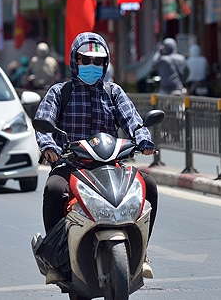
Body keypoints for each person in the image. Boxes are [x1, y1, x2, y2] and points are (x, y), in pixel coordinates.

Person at [34, 32, 158, 283]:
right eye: (85, 60)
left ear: (105, 63)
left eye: (98, 61)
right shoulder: (60, 92)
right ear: (74, 61)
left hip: (110, 165)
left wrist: (143, 139)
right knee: (54, 188)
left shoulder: (113, 92)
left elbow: (133, 120)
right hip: (71, 164)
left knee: (150, 186)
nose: (92, 66)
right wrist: (48, 146)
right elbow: (42, 122)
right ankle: (56, 258)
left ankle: (142, 252)